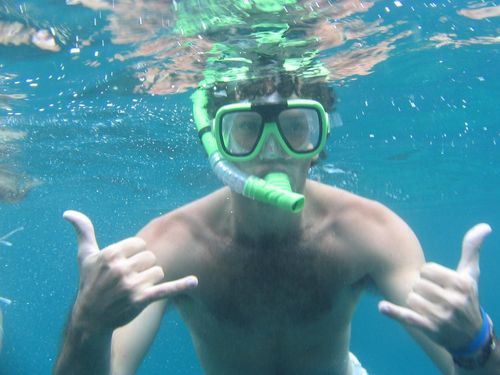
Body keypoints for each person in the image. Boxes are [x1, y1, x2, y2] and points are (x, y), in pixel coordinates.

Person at [54, 72, 498, 375]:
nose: (272, 150)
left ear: (318, 142)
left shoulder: (369, 232)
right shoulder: (172, 244)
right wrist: (86, 325)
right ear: (217, 145)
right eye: (245, 129)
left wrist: (475, 344)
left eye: (296, 128)